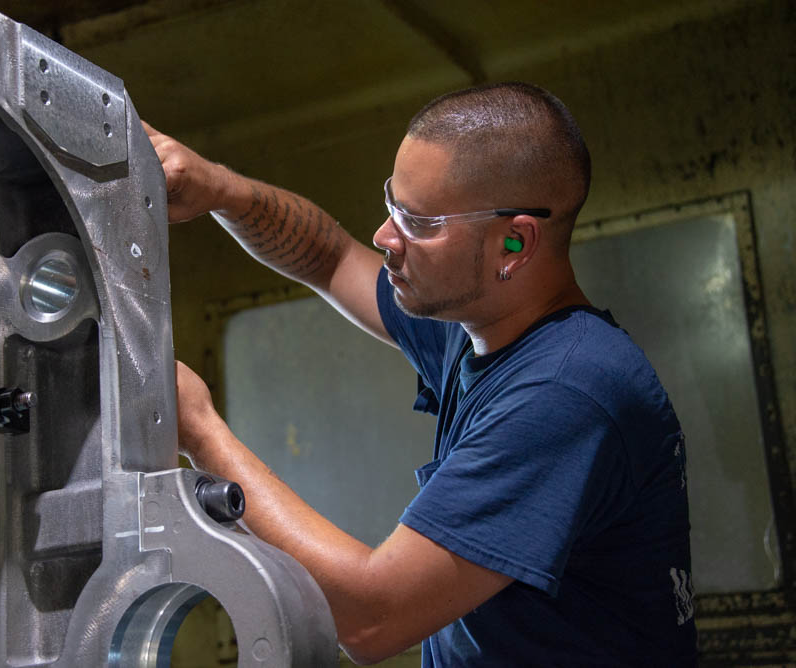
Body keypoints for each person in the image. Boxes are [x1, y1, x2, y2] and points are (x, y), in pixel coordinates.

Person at [144, 81, 697, 666]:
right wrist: (219, 188)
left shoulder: (567, 391)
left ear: (515, 242)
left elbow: (371, 619)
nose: (385, 238)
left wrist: (200, 431)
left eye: (419, 221)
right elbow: (327, 257)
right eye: (392, 206)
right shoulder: (477, 325)